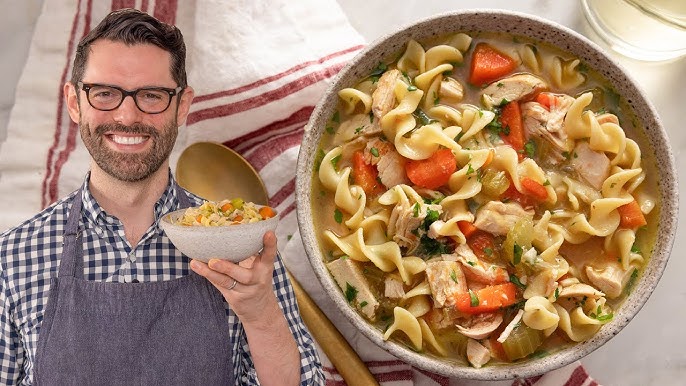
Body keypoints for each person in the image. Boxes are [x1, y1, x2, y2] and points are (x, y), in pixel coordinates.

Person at [0, 8, 324, 385]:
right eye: (104, 94)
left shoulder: (240, 242)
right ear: (74, 102)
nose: (126, 116)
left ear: (182, 106)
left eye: (151, 96)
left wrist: (260, 313)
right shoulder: (12, 259)